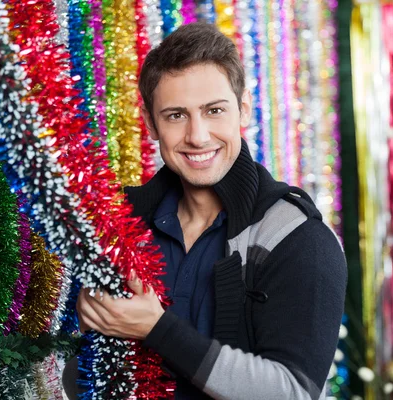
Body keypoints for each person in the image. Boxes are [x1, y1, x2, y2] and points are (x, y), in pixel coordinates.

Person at [64, 22, 347, 399]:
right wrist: (92, 336)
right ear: (150, 123)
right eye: (176, 115)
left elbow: (291, 392)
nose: (197, 136)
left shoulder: (298, 237)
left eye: (214, 110)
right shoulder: (120, 228)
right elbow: (74, 380)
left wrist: (157, 329)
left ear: (243, 109)